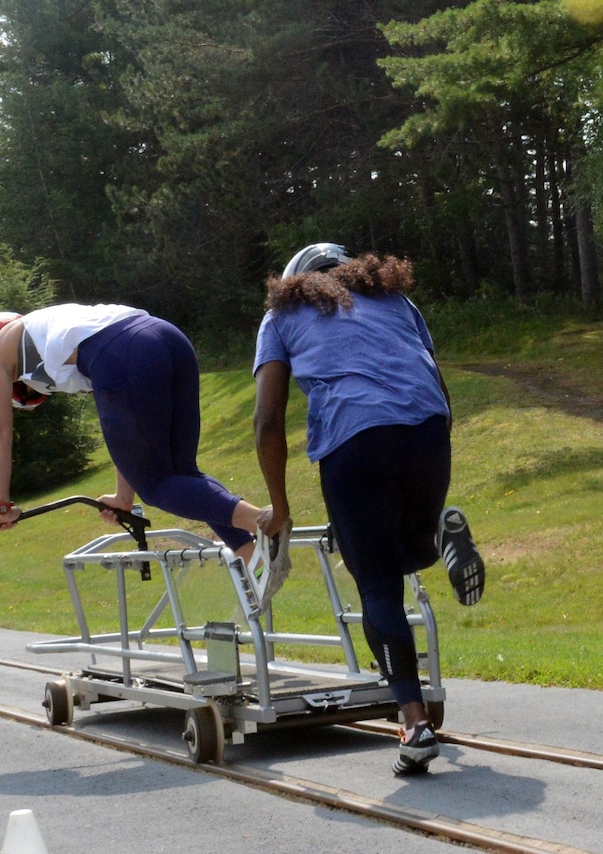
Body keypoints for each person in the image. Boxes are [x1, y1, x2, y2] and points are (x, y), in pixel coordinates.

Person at [251, 243, 486, 776]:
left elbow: (268, 421)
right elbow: (439, 384)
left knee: (378, 585)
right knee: (407, 549)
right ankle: (436, 535)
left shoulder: (282, 315)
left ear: (294, 281)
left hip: (353, 441)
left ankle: (414, 724)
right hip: (427, 430)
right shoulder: (396, 301)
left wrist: (281, 507)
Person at [0, 304, 263, 566]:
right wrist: (123, 498)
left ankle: (263, 521)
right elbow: (127, 432)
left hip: (126, 353)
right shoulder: (55, 332)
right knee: (182, 474)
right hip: (167, 337)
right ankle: (249, 550)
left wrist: (0, 507)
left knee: (157, 487)